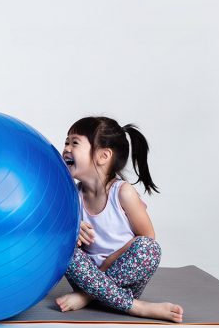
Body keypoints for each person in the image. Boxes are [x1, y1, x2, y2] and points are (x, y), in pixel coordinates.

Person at [55, 116, 184, 323]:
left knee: (149, 248)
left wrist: (99, 278)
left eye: (74, 143)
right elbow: (57, 233)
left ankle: (88, 297)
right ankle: (136, 307)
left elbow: (147, 237)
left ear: (103, 156)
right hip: (85, 277)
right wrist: (73, 231)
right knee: (62, 245)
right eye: (66, 142)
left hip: (123, 281)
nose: (66, 149)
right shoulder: (72, 195)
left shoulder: (123, 192)